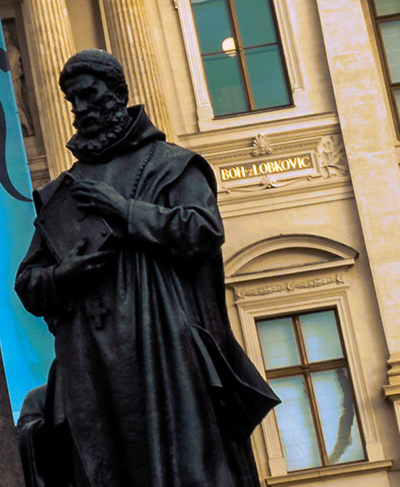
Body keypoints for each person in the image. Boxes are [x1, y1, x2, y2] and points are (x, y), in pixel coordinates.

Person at [14, 51, 278, 487]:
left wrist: (127, 211)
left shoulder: (171, 164)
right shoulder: (65, 190)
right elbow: (28, 283)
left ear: (116, 93)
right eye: (71, 101)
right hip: (91, 362)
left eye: (87, 94)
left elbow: (204, 230)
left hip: (162, 348)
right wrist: (66, 274)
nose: (79, 109)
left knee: (186, 470)